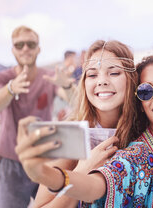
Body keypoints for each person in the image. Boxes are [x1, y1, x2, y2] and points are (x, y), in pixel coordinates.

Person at [15, 52, 153, 207]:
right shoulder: (135, 157)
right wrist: (45, 174)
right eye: (146, 91)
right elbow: (97, 185)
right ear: (138, 99)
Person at [25, 39, 138, 207]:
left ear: (131, 79)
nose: (102, 81)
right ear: (84, 83)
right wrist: (81, 173)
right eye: (92, 75)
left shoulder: (145, 131)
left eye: (113, 73)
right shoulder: (70, 135)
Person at [0, 25, 75, 208]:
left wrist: (67, 86)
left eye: (30, 44)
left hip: (45, 156)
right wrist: (10, 89)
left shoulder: (49, 77)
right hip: (11, 159)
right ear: (12, 50)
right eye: (19, 45)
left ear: (38, 48)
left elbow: (74, 101)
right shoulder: (0, 78)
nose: (25, 48)